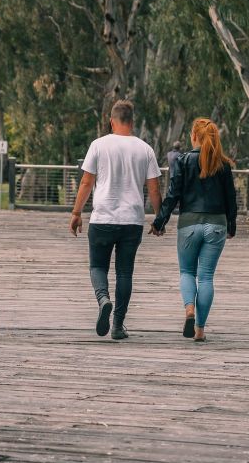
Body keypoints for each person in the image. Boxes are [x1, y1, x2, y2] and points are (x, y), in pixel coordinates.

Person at [70, 100, 162, 340]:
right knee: (124, 273)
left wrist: (76, 213)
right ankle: (118, 326)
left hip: (103, 218)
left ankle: (103, 299)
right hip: (132, 221)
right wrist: (159, 219)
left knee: (97, 266)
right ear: (132, 122)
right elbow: (154, 189)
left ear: (111, 121)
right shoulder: (145, 149)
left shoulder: (98, 145)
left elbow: (86, 182)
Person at [151, 118, 237, 342]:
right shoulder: (224, 164)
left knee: (187, 272)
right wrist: (232, 225)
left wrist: (159, 222)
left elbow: (173, 195)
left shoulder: (183, 161)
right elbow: (231, 198)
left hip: (188, 224)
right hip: (217, 224)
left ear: (194, 137)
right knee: (206, 277)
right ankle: (200, 330)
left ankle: (189, 309)